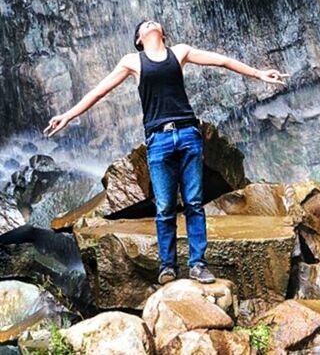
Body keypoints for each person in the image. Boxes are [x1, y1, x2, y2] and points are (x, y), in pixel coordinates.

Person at [43, 19, 289, 285]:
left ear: (162, 33)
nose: (150, 23)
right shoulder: (132, 62)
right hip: (158, 140)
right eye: (144, 24)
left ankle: (197, 264)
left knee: (194, 202)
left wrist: (258, 74)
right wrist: (67, 116)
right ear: (139, 39)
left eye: (153, 22)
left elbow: (222, 60)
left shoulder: (179, 52)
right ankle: (167, 267)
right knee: (164, 207)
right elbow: (98, 91)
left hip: (187, 134)